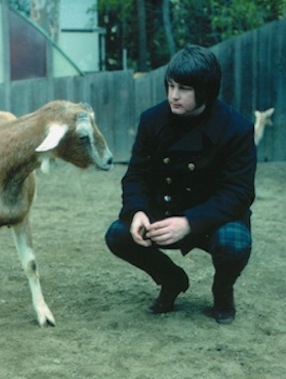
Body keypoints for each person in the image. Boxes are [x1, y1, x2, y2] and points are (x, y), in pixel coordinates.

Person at [105, 45, 256, 324]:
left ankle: (222, 291)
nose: (173, 95)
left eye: (184, 88)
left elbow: (239, 193)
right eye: (171, 85)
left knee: (235, 243)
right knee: (118, 234)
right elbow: (136, 175)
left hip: (213, 219)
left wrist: (190, 222)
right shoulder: (152, 120)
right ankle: (172, 280)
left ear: (206, 91)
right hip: (165, 211)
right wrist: (137, 210)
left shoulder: (236, 128)